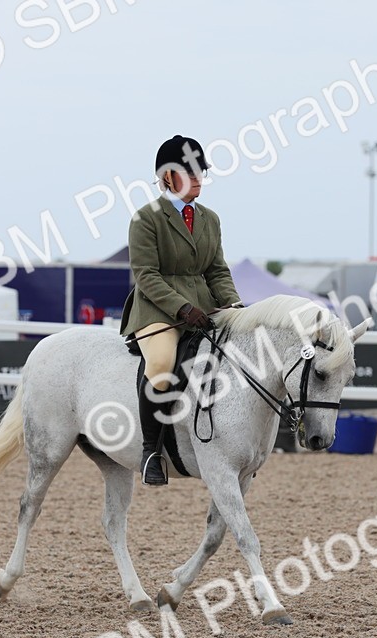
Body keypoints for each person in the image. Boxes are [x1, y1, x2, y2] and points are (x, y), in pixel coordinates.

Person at [119, 134, 242, 487]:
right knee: (160, 366)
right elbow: (146, 275)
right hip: (158, 308)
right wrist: (182, 307)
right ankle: (150, 452)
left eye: (201, 170)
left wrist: (233, 305)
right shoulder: (146, 219)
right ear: (168, 178)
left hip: (203, 306)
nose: (199, 176)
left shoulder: (210, 219)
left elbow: (216, 270)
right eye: (190, 171)